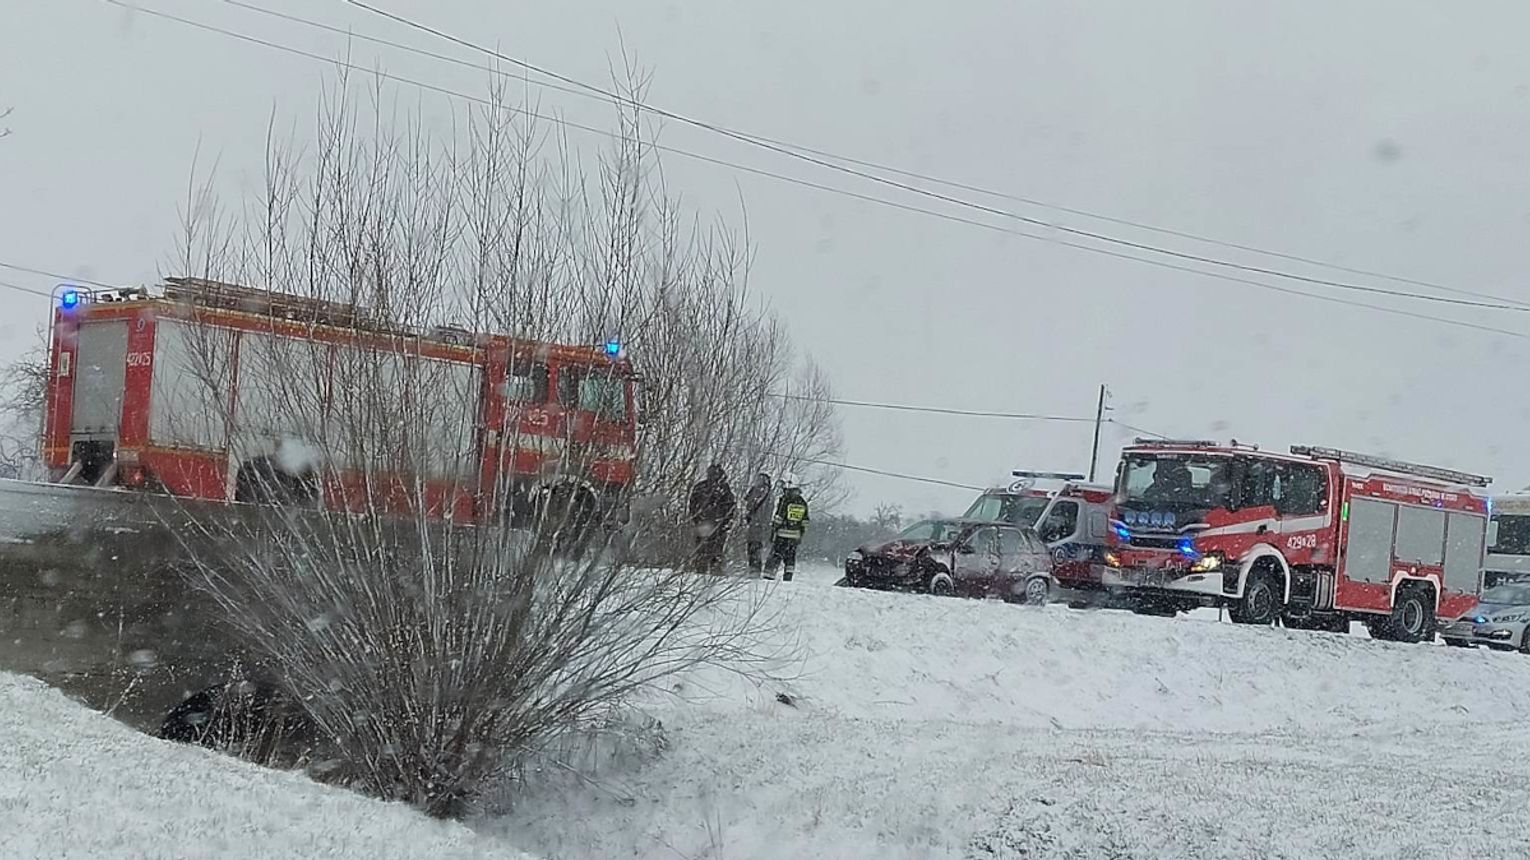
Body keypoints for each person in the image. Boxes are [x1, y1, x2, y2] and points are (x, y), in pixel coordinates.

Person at [688, 463, 736, 574]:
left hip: (706, 525)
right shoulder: (724, 489)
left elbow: (692, 506)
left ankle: (702, 572)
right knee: (714, 552)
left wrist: (697, 520)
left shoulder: (702, 487)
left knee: (703, 551)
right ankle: (712, 573)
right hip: (715, 526)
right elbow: (730, 509)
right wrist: (724, 524)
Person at [764, 474, 810, 581]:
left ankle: (769, 576)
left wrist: (773, 530)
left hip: (782, 534)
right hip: (795, 537)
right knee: (790, 558)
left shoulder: (785, 500)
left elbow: (779, 517)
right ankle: (788, 577)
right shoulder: (802, 502)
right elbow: (805, 521)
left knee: (776, 555)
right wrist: (800, 534)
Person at [742, 472, 774, 574]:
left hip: (756, 524)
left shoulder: (758, 491)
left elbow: (749, 505)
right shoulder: (769, 494)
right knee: (756, 547)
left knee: (753, 547)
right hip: (761, 525)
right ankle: (755, 569)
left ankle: (754, 570)